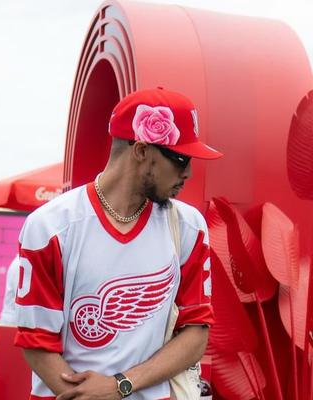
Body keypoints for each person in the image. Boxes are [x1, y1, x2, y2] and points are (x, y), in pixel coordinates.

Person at [14, 87, 223, 400]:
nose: (189, 172)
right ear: (141, 151)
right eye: (180, 159)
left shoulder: (188, 225)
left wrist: (120, 385)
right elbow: (36, 342)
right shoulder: (50, 226)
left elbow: (196, 334)